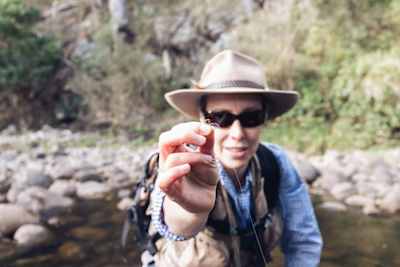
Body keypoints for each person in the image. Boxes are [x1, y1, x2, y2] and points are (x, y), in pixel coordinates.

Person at [145, 50, 322, 267]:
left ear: (264, 118)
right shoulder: (179, 162)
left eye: (251, 117)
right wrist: (190, 211)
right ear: (202, 119)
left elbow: (303, 241)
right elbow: (175, 223)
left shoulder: (276, 163)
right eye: (220, 118)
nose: (237, 133)